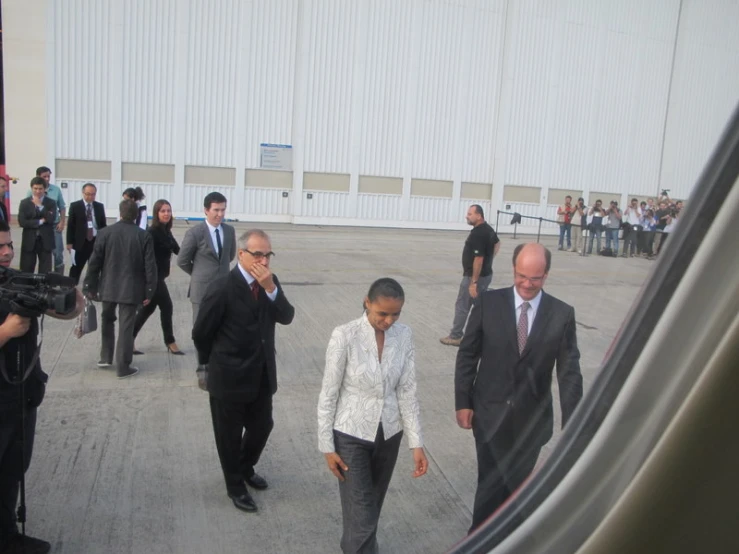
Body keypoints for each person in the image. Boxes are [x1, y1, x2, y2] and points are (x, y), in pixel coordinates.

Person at [455, 243, 583, 532]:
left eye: (535, 278)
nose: (527, 284)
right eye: (522, 275)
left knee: (517, 492)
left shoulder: (561, 314)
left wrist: (574, 424)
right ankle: (479, 541)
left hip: (531, 422)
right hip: (488, 415)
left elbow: (569, 372)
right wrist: (463, 401)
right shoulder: (488, 303)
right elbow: (467, 354)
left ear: (546, 275)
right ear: (513, 269)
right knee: (488, 489)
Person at [318, 278, 428, 553]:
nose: (389, 320)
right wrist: (326, 447)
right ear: (368, 302)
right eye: (382, 313)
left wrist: (416, 443)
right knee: (363, 511)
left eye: (396, 314)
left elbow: (407, 389)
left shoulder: (404, 335)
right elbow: (328, 392)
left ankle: (352, 547)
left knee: (370, 507)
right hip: (350, 434)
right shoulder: (344, 335)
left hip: (389, 433)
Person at [192, 229, 294, 513]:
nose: (263, 260)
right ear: (241, 254)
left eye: (267, 254)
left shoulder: (269, 283)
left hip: (261, 373)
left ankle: (245, 467)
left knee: (263, 426)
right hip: (229, 376)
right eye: (257, 254)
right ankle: (235, 486)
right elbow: (201, 333)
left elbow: (286, 316)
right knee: (229, 434)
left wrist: (271, 289)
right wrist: (208, 366)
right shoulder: (222, 286)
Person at [0, 220, 83, 554]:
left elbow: (70, 305)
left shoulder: (16, 279)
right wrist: (5, 332)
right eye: (0, 247)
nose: (6, 252)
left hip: (21, 394)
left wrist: (65, 301)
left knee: (12, 470)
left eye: (8, 244)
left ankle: (7, 537)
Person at [83, 200, 157, 379]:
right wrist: (149, 291)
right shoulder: (143, 235)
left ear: (120, 212)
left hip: (108, 286)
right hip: (131, 289)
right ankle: (123, 366)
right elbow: (150, 267)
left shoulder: (105, 233)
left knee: (107, 319)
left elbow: (95, 261)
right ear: (137, 215)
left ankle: (106, 357)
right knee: (126, 325)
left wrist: (89, 285)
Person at [177, 192, 236, 389]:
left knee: (223, 331)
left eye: (223, 209)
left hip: (224, 291)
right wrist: (198, 276)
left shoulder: (229, 231)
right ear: (206, 210)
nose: (220, 214)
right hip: (201, 292)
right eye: (216, 210)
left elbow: (229, 256)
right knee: (202, 332)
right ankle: (203, 371)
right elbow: (182, 260)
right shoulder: (195, 233)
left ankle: (220, 368)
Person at [440, 205, 500, 347]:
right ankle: (487, 333)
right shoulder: (488, 229)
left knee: (462, 305)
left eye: (470, 214)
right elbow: (497, 243)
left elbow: (478, 259)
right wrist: (490, 259)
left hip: (474, 277)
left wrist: (473, 282)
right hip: (485, 275)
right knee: (480, 306)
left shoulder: (478, 234)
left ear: (479, 216)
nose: (467, 216)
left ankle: (455, 336)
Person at [132, 200, 183, 355]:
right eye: (162, 211)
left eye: (168, 210)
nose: (166, 213)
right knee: (167, 306)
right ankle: (170, 341)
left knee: (147, 309)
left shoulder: (166, 230)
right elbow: (144, 258)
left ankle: (128, 338)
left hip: (160, 276)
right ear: (156, 214)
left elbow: (177, 250)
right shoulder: (152, 232)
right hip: (153, 278)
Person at [65, 183, 107, 285]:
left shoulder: (99, 206)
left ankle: (92, 288)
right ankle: (71, 287)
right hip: (80, 242)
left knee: (94, 266)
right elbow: (71, 225)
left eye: (93, 194)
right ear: (83, 193)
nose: (90, 197)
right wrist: (69, 242)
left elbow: (102, 225)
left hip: (95, 240)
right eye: (88, 194)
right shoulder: (75, 206)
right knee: (76, 266)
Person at [29, 167, 66, 274]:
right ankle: (44, 277)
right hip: (39, 225)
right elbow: (27, 206)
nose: (47, 179)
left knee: (58, 252)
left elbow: (62, 207)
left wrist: (62, 221)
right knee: (43, 252)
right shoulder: (31, 191)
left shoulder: (56, 190)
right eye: (44, 176)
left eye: (48, 176)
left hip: (54, 225)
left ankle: (59, 278)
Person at [17, 178, 57, 274]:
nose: (38, 191)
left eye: (40, 189)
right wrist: (40, 221)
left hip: (45, 240)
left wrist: (40, 206)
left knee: (45, 269)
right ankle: (27, 287)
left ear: (44, 189)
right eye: (35, 188)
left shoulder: (51, 203)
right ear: (31, 188)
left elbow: (51, 219)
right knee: (26, 267)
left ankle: (43, 287)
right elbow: (22, 222)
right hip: (29, 239)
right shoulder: (25, 203)